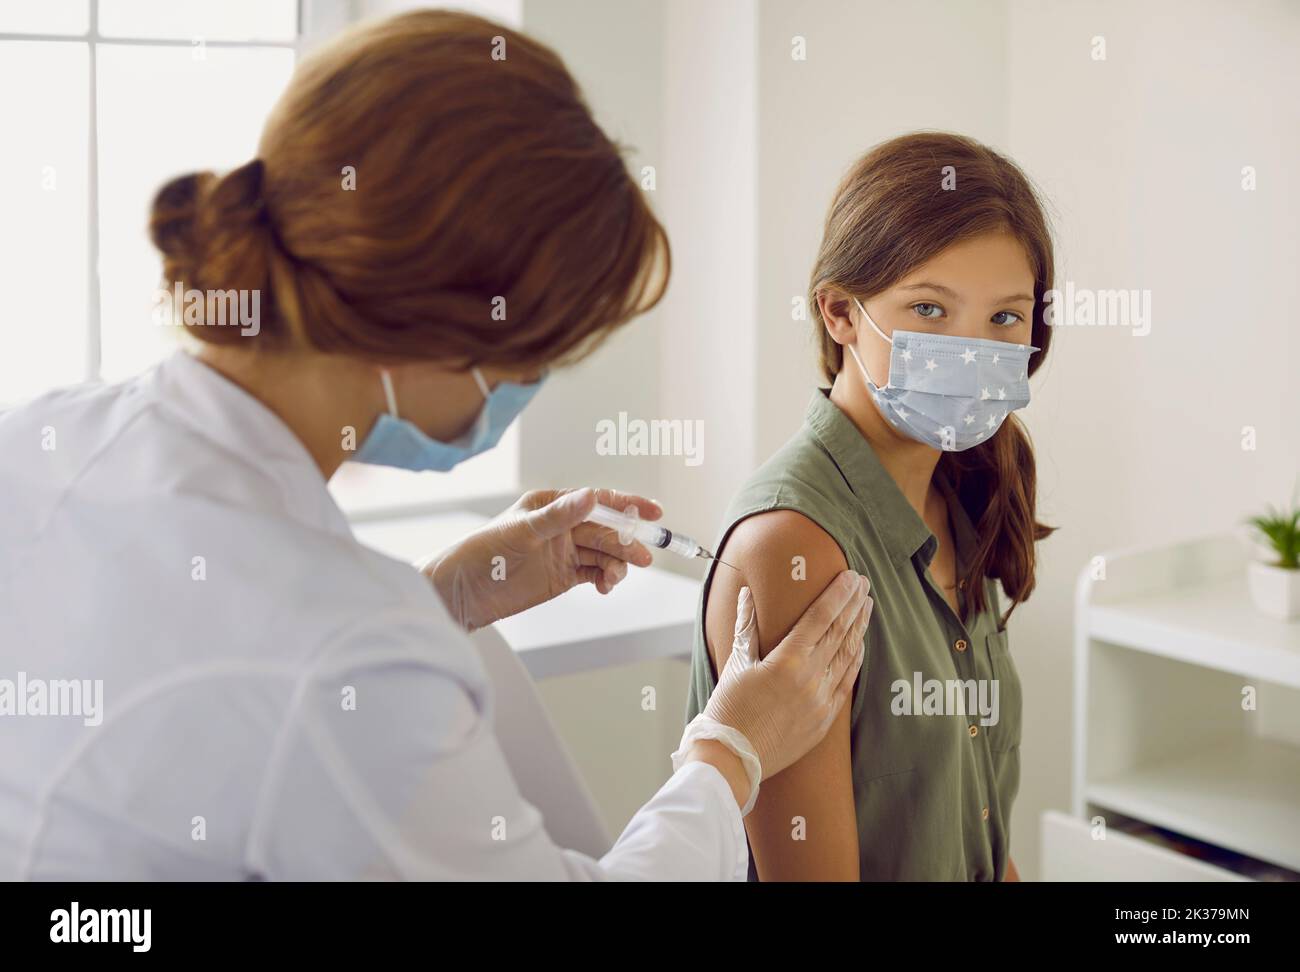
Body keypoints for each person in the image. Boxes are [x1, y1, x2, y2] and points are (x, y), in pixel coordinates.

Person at [0, 10, 872, 881]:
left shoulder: (44, 437)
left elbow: (210, 697)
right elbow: (306, 685)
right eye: (535, 350)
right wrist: (731, 755)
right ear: (429, 329)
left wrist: (444, 593)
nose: (530, 385)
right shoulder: (346, 657)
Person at [687, 132, 1056, 880]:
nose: (973, 349)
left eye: (1005, 318)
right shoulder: (793, 548)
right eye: (928, 307)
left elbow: (971, 826)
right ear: (840, 313)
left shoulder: (963, 498)